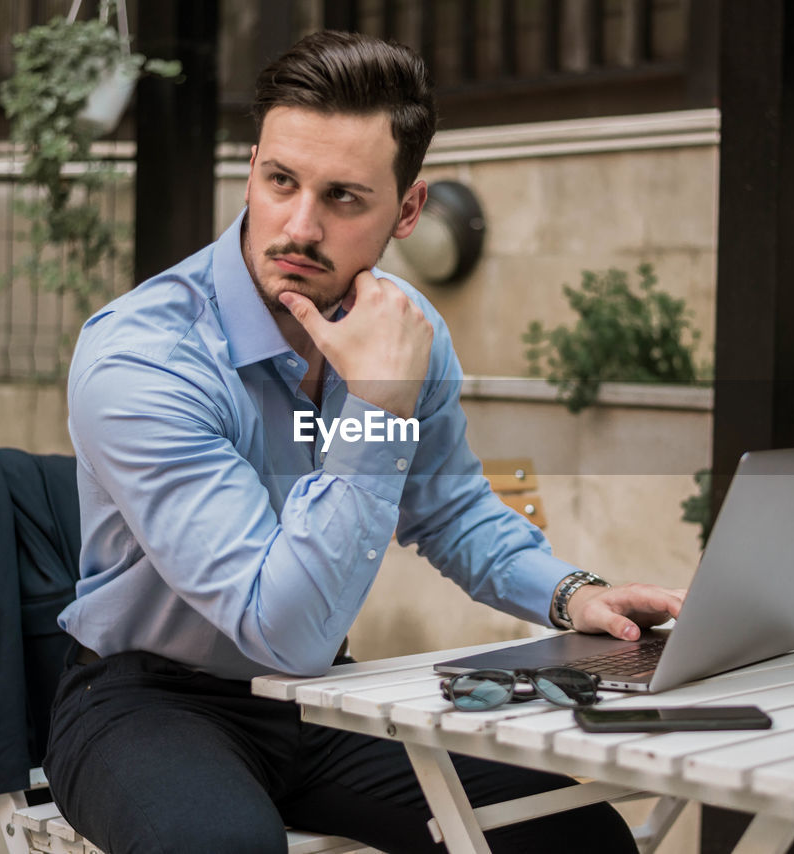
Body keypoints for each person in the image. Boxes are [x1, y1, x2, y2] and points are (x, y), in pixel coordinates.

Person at [44, 29, 686, 854]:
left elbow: (451, 509)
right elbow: (277, 627)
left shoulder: (402, 334)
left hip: (319, 699)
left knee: (572, 833)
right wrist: (377, 411)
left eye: (344, 197)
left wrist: (575, 597)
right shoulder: (145, 357)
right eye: (280, 181)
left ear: (408, 209)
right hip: (145, 704)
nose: (299, 226)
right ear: (253, 167)